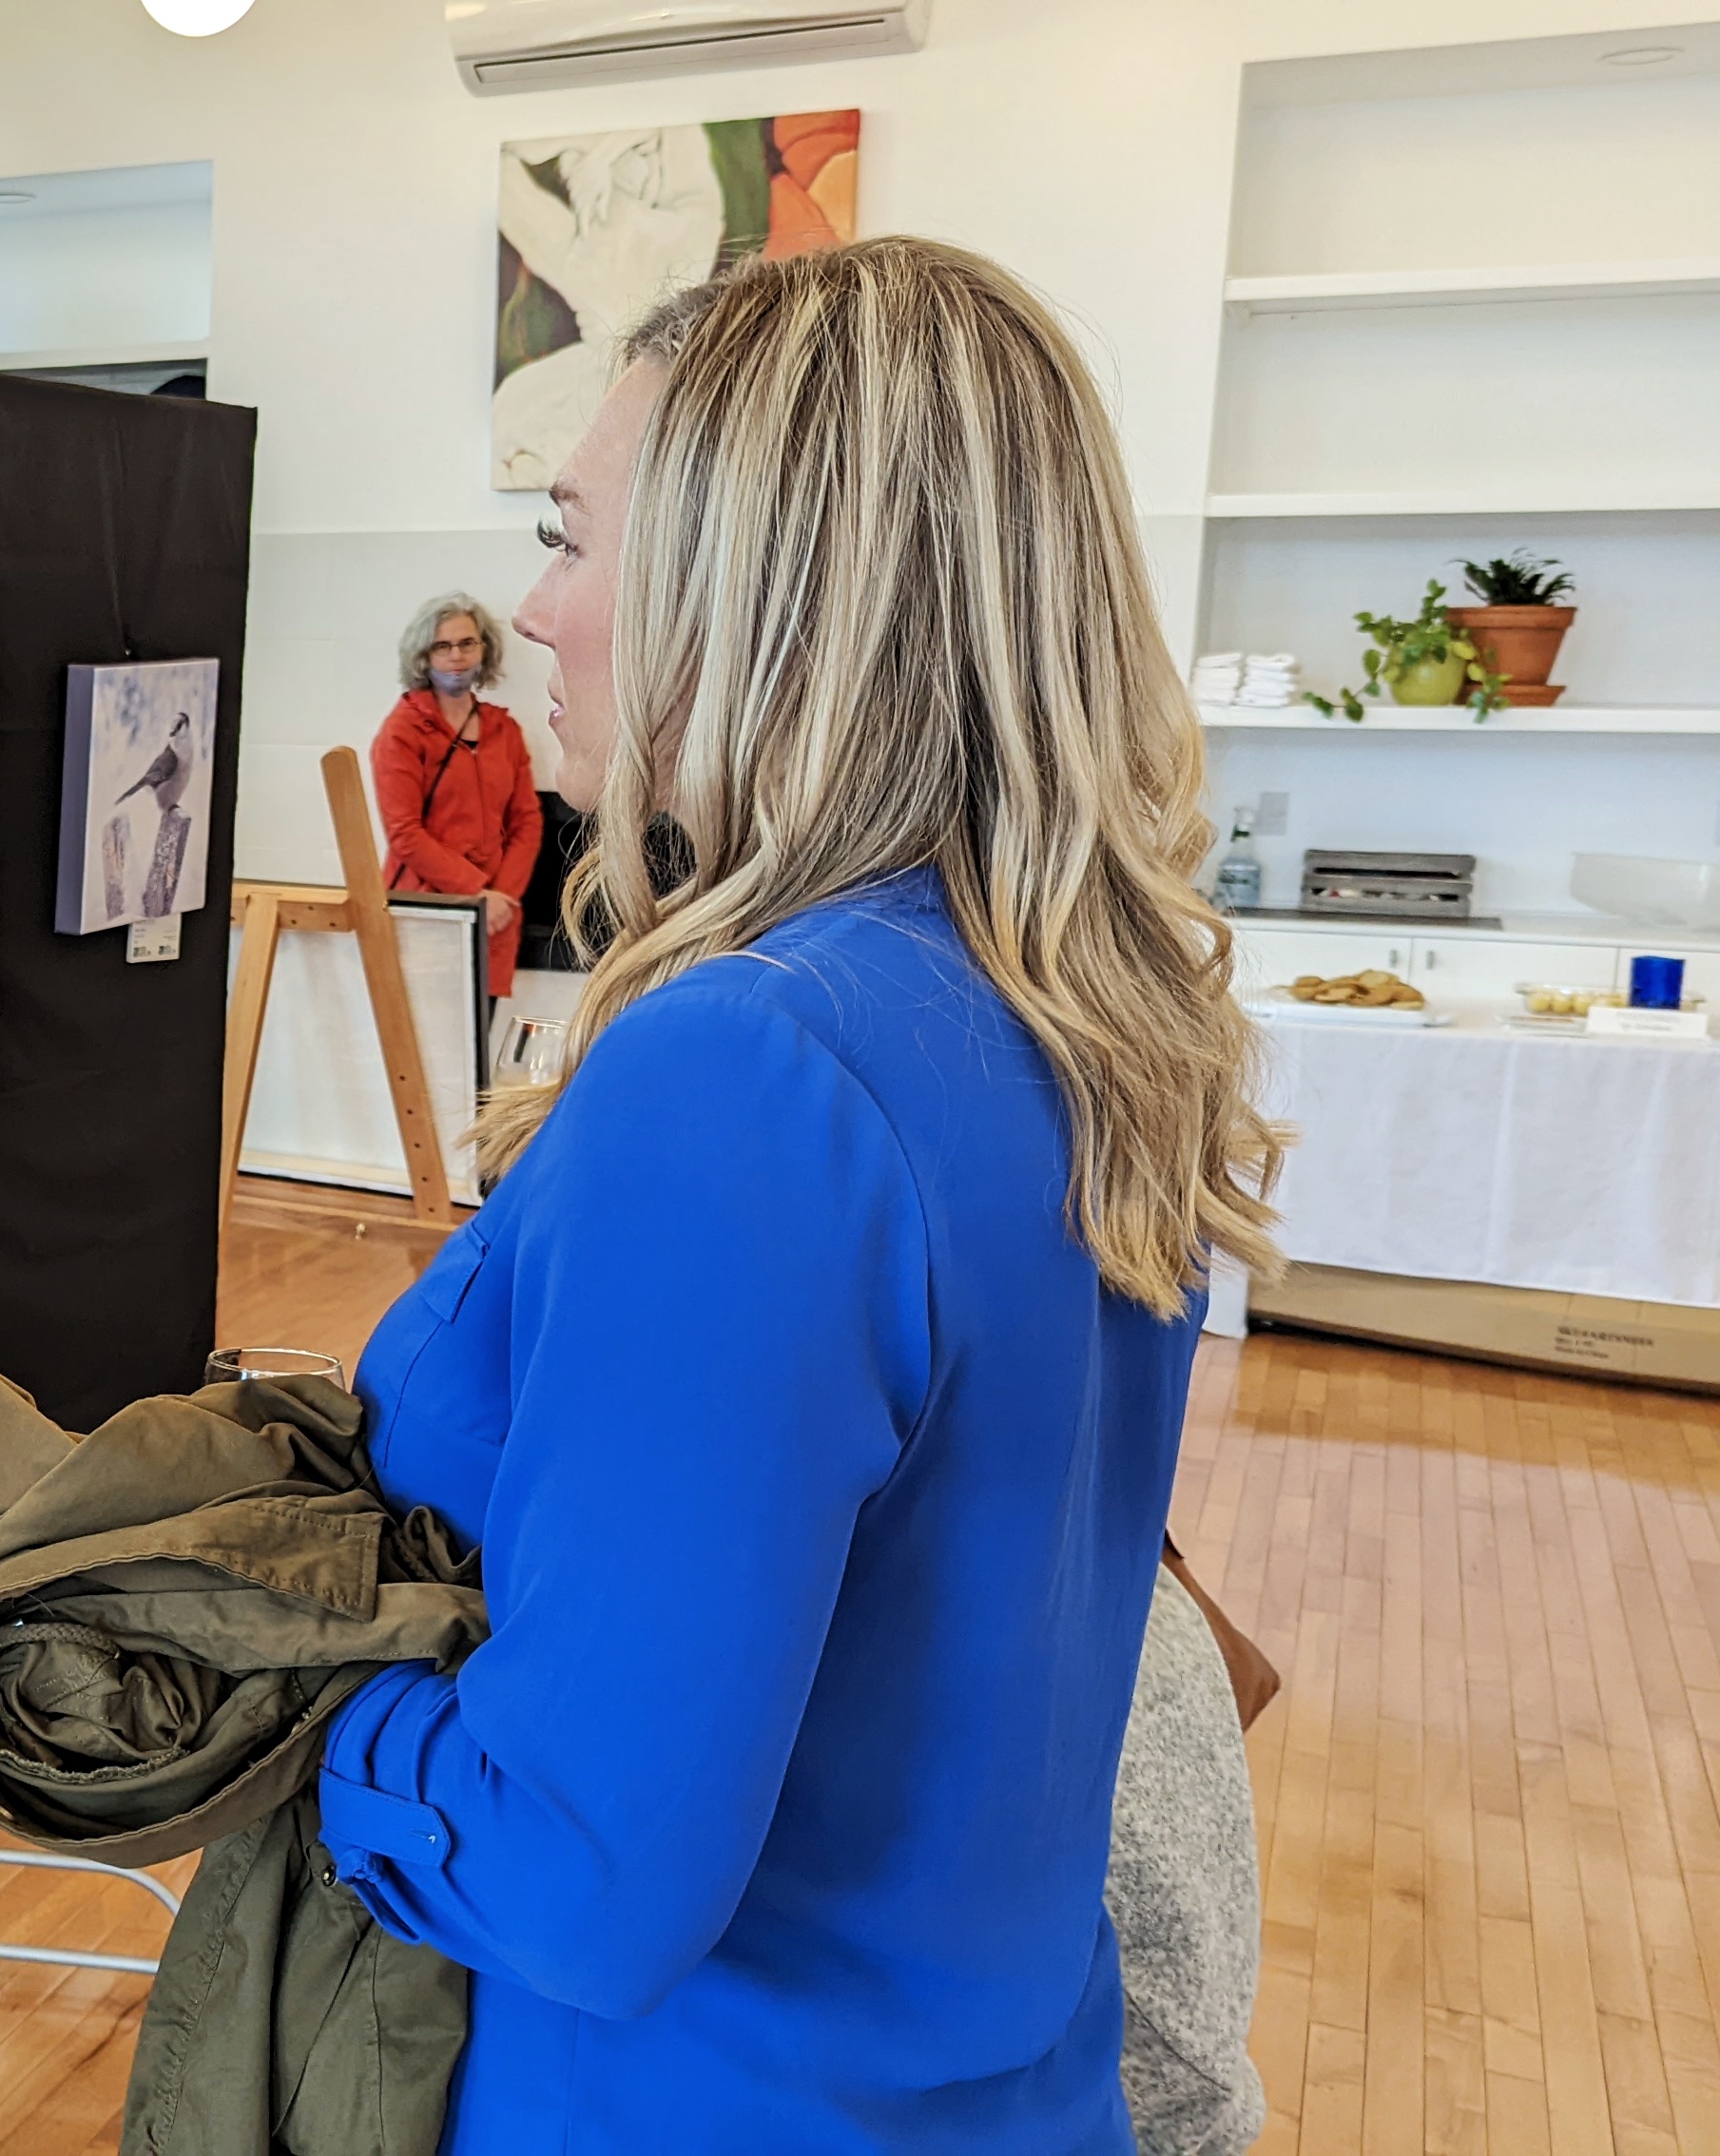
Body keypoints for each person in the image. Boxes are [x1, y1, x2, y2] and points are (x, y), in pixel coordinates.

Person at [310, 236, 1284, 2151]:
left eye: (575, 538)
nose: (532, 611)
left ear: (755, 586)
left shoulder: (752, 1070)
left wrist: (283, 1712)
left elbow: (582, 1877)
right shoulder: (1079, 1014)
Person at [370, 593, 542, 994]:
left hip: (493, 919)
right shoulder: (402, 733)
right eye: (442, 646)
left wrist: (502, 897)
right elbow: (404, 833)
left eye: (467, 643)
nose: (456, 656)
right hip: (426, 914)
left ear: (484, 649)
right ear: (424, 656)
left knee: (476, 1048)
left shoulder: (504, 731)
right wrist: (474, 893)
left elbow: (527, 821)